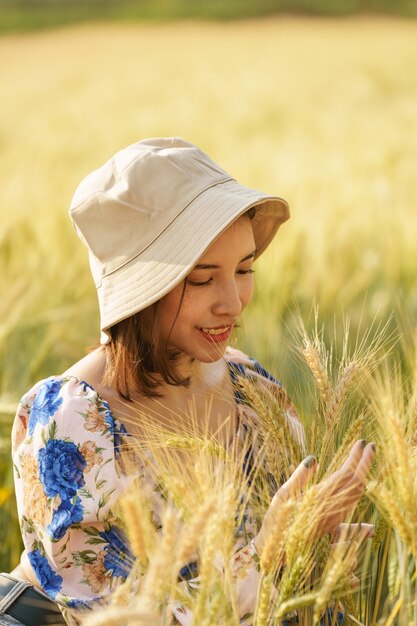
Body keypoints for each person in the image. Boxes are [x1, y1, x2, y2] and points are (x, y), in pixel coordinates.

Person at [1, 138, 375, 626]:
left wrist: (310, 555)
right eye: (202, 279)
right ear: (142, 287)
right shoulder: (73, 420)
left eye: (245, 269)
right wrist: (268, 554)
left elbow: (275, 581)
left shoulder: (253, 391)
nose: (234, 302)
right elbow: (115, 618)